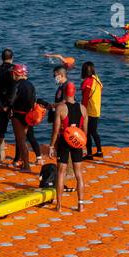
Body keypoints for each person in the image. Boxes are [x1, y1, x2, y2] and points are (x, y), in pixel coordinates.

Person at [50, 80, 87, 211]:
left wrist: (51, 146)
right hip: (77, 141)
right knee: (79, 174)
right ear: (75, 92)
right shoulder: (83, 108)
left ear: (64, 93)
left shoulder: (60, 108)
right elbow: (84, 131)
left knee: (61, 173)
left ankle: (59, 205)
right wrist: (83, 146)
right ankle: (81, 205)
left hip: (64, 142)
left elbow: (55, 130)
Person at [10, 62, 40, 171]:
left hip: (18, 115)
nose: (12, 75)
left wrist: (8, 108)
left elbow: (11, 100)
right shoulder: (30, 84)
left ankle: (26, 166)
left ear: (17, 73)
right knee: (24, 139)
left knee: (21, 141)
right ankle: (24, 163)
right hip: (29, 115)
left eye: (13, 73)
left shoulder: (17, 85)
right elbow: (33, 100)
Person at [80, 62, 103, 159]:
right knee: (94, 131)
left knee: (88, 132)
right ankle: (99, 151)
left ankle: (89, 153)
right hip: (96, 109)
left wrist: (82, 111)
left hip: (89, 110)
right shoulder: (96, 79)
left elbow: (85, 98)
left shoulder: (87, 82)